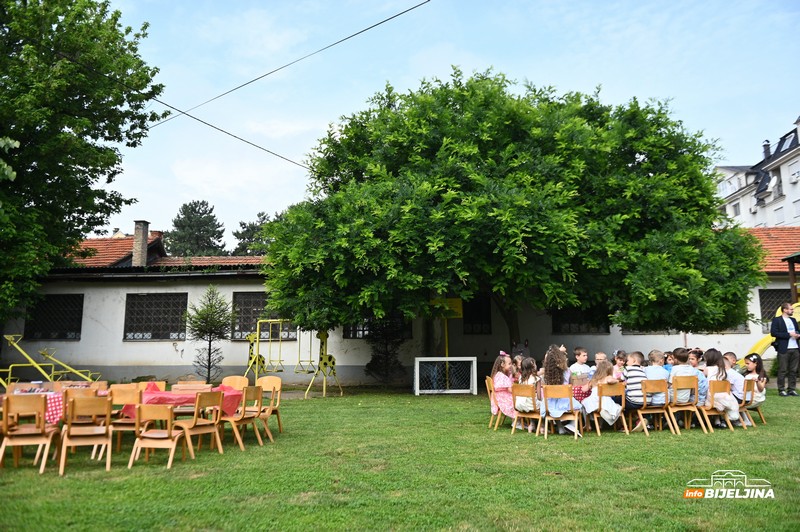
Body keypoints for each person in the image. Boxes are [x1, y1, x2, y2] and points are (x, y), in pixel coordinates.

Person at [538, 344, 582, 436]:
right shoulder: (567, 371)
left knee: (554, 403)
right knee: (579, 407)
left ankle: (560, 427)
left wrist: (557, 352)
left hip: (549, 404)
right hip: (565, 402)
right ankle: (572, 425)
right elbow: (571, 385)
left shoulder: (546, 374)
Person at [580, 360, 622, 428]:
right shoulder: (608, 377)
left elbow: (583, 389)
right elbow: (610, 380)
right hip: (604, 401)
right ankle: (601, 424)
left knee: (583, 402)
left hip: (593, 402)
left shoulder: (594, 379)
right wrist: (617, 381)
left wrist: (589, 383)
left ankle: (588, 425)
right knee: (613, 406)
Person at [770, 302, 800, 396]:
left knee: (793, 370)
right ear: (785, 310)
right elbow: (774, 333)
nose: (792, 310)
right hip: (784, 348)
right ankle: (781, 389)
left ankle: (791, 389)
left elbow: (797, 330)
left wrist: (798, 335)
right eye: (791, 309)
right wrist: (788, 334)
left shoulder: (793, 320)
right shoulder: (777, 320)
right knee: (782, 370)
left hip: (795, 348)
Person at [703, 348, 740, 425]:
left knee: (703, 393)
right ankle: (718, 421)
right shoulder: (722, 370)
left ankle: (710, 421)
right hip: (724, 395)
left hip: (712, 397)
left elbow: (703, 381)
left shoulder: (707, 369)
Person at [490, 352, 516, 424]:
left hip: (498, 398)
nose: (511, 366)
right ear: (502, 364)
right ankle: (516, 421)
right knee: (518, 401)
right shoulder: (503, 377)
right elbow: (510, 390)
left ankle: (518, 421)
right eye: (509, 364)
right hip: (503, 400)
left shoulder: (497, 375)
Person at [624, 351, 647, 430]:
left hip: (634, 401)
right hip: (646, 401)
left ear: (634, 360)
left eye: (628, 360)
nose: (626, 363)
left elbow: (620, 380)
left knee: (616, 400)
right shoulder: (644, 370)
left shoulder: (628, 369)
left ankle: (622, 424)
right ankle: (639, 419)